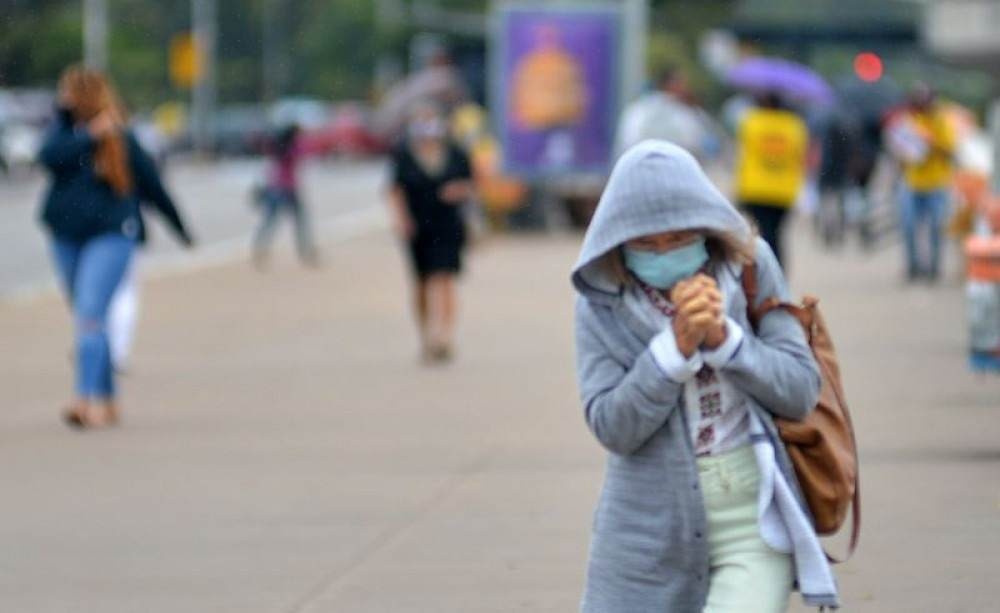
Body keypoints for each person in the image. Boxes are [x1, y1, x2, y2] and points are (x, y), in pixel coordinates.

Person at [571, 141, 838, 612]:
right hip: (646, 525)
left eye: (678, 239)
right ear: (619, 243)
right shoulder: (602, 301)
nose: (663, 254)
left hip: (753, 515)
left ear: (704, 228)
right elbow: (612, 426)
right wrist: (672, 353)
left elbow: (799, 389)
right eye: (646, 245)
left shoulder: (751, 268)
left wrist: (726, 342)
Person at [38, 65, 190, 428]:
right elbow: (49, 159)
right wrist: (84, 133)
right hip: (65, 236)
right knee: (88, 319)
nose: (63, 97)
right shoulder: (64, 135)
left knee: (90, 314)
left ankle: (84, 399)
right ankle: (108, 399)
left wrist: (180, 229)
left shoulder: (121, 136)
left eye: (68, 91)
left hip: (111, 235)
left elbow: (152, 185)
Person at [388, 102, 474, 362]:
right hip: (418, 226)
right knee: (422, 282)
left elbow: (472, 184)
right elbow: (396, 189)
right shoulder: (404, 154)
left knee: (445, 278)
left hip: (448, 224)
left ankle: (444, 336)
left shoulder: (456, 153)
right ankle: (426, 334)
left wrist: (459, 191)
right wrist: (401, 220)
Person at [107, 163, 194, 371]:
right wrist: (181, 231)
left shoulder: (70, 138)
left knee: (115, 295)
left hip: (114, 233)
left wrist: (180, 229)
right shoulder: (123, 143)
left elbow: (154, 189)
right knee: (123, 294)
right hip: (122, 230)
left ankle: (110, 350)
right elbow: (155, 189)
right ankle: (114, 351)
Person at [734, 91, 809, 268]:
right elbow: (801, 155)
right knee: (776, 234)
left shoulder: (751, 121)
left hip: (755, 188)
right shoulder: (794, 125)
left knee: (760, 234)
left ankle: (763, 273)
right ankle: (777, 272)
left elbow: (742, 151)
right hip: (783, 189)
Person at [895, 83, 956, 282]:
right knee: (908, 226)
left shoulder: (941, 121)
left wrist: (931, 142)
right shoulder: (907, 121)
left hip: (937, 183)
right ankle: (913, 267)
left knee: (936, 227)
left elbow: (951, 151)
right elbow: (899, 151)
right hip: (912, 182)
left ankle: (934, 268)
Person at [252, 123, 319, 268]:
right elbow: (306, 151)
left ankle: (260, 248)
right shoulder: (292, 148)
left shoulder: (277, 147)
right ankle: (306, 251)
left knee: (270, 222)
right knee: (300, 222)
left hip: (275, 188)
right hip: (287, 189)